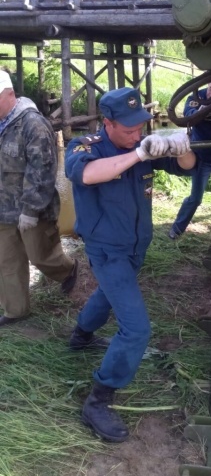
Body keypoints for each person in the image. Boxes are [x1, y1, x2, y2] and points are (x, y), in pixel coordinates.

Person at [65, 87, 196, 442]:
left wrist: (181, 148)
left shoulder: (143, 143)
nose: (137, 133)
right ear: (107, 123)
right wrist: (138, 153)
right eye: (128, 128)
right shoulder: (85, 146)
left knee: (109, 296)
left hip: (137, 245)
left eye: (141, 127)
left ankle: (80, 336)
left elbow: (187, 168)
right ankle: (98, 399)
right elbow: (88, 175)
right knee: (136, 329)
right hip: (107, 249)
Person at [0, 70, 78, 327]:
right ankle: (16, 311)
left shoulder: (33, 124)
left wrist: (31, 210)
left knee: (41, 256)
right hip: (3, 209)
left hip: (31, 209)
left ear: (9, 94)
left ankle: (68, 270)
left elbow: (43, 170)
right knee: (7, 261)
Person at [169, 81, 211, 240]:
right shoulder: (198, 96)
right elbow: (187, 115)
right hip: (202, 155)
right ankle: (177, 229)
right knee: (196, 198)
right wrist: (201, 111)